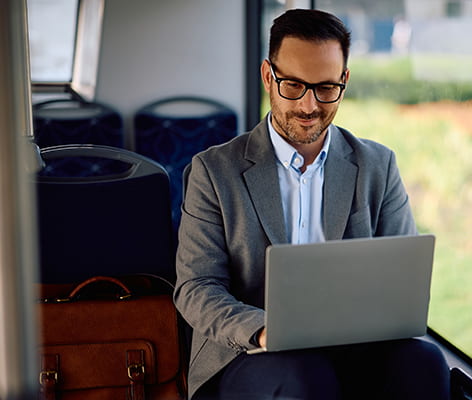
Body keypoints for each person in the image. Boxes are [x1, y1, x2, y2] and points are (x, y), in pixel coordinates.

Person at [174, 8, 450, 400]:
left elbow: (401, 283)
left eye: (325, 88)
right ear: (268, 76)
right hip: (250, 353)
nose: (308, 106)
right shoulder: (214, 171)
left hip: (354, 348)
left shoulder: (377, 166)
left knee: (425, 362)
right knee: (303, 376)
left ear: (344, 80)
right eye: (293, 86)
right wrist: (266, 330)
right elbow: (197, 287)